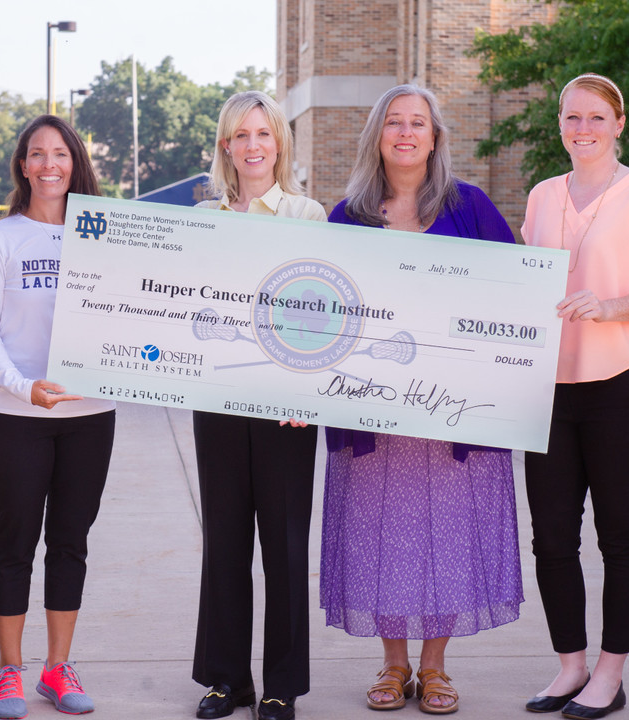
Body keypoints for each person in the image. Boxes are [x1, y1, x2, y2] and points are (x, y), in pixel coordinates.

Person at [320, 84, 523, 715]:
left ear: (435, 138)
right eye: (394, 122)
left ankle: (434, 667)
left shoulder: (472, 208)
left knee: (450, 536)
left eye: (418, 123)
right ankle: (392, 663)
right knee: (378, 536)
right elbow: (319, 314)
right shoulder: (346, 216)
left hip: (452, 417)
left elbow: (513, 294)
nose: (406, 133)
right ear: (377, 135)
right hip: (373, 417)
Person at [520, 73, 629, 720]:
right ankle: (570, 667)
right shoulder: (540, 196)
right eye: (570, 117)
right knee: (552, 538)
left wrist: (609, 307)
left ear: (619, 124)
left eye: (594, 117)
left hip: (622, 390)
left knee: (620, 535)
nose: (581, 129)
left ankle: (611, 676)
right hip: (549, 394)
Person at [0, 115, 116, 719]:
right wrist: (24, 388)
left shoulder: (106, 239)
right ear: (22, 167)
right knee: (14, 540)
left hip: (90, 414)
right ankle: (9, 672)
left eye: (60, 154)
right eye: (37, 154)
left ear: (75, 163)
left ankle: (57, 668)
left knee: (71, 542)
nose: (49, 164)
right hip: (15, 415)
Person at [191, 90, 325, 720]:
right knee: (223, 543)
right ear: (226, 146)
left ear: (280, 143)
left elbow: (327, 319)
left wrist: (308, 395)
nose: (252, 146)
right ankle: (226, 680)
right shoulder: (204, 219)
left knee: (284, 546)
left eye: (263, 134)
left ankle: (281, 686)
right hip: (218, 401)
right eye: (240, 136)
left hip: (285, 410)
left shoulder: (307, 215)